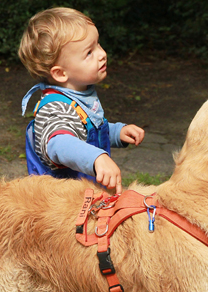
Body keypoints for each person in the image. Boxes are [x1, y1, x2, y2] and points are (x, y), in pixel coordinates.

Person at [18, 7, 144, 194]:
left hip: (83, 199)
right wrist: (96, 158)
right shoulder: (55, 107)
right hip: (59, 206)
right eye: (89, 53)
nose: (102, 54)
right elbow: (59, 144)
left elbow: (86, 131)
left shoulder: (80, 96)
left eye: (98, 45)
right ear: (61, 73)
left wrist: (117, 132)